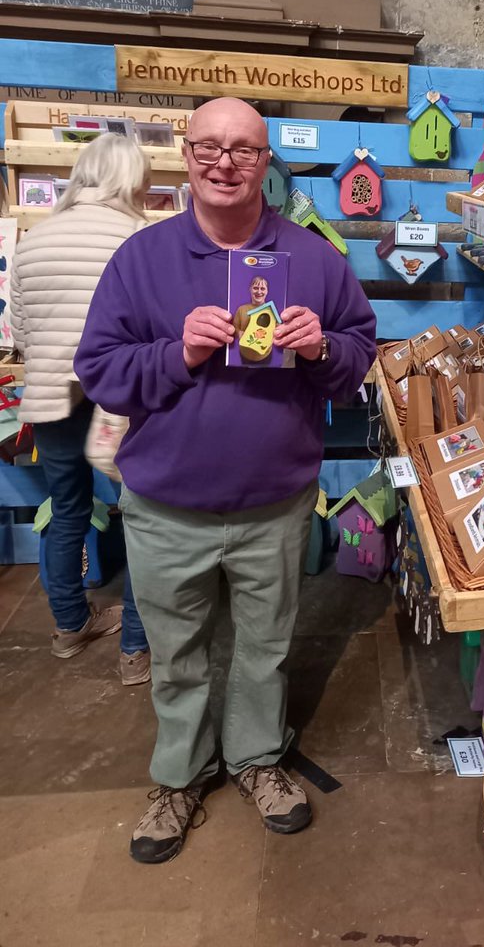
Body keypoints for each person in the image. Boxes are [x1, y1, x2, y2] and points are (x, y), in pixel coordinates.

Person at [74, 97, 376, 865]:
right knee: (177, 652)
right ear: (187, 153)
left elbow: (359, 353)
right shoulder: (141, 260)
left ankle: (256, 761)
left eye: (244, 148)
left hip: (274, 503)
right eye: (210, 145)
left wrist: (321, 352)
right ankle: (178, 777)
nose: (225, 162)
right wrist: (177, 354)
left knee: (263, 647)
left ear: (264, 160)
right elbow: (102, 373)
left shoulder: (311, 259)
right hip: (165, 506)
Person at [10, 133, 152, 684]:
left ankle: (69, 625)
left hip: (52, 395)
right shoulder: (140, 237)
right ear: (130, 179)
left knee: (66, 509)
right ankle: (137, 649)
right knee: (142, 514)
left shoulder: (33, 240)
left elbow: (20, 331)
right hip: (119, 396)